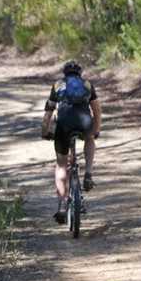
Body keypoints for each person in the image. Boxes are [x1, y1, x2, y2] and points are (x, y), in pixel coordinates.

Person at [41, 60, 102, 223]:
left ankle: (62, 206)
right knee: (89, 138)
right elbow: (97, 110)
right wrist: (95, 130)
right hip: (84, 122)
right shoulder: (87, 84)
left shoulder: (58, 85)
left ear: (65, 73)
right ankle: (88, 173)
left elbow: (49, 111)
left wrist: (45, 131)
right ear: (79, 73)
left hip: (64, 124)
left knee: (61, 165)